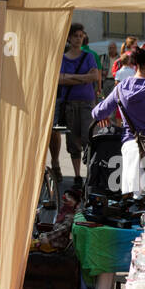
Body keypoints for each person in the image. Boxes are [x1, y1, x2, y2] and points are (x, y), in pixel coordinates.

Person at [92, 41, 145, 198]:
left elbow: (97, 112)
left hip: (132, 149)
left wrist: (102, 116)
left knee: (133, 208)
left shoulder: (121, 88)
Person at [51, 22, 101, 188]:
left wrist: (71, 78)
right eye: (75, 36)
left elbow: (94, 76)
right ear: (69, 38)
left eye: (81, 36)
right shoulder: (63, 58)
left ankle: (90, 174)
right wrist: (82, 78)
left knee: (88, 138)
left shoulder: (89, 57)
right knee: (73, 142)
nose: (79, 39)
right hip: (69, 104)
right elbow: (58, 79)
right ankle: (77, 175)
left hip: (87, 103)